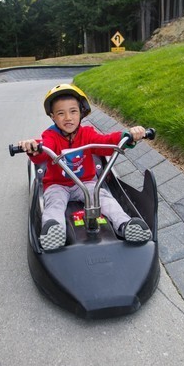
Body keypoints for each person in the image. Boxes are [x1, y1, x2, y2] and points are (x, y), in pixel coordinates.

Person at [18, 84, 152, 251]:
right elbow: (44, 150)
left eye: (73, 111)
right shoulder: (50, 136)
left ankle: (124, 224)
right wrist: (34, 147)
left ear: (81, 112)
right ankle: (54, 230)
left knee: (104, 198)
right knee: (55, 203)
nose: (68, 117)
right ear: (53, 117)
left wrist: (127, 137)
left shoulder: (87, 133)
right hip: (57, 184)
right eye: (61, 113)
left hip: (86, 183)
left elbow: (105, 143)